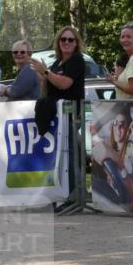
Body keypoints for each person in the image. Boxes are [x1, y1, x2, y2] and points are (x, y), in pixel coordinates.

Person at [30, 26, 86, 207]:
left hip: (70, 114)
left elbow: (64, 84)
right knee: (61, 155)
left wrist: (46, 72)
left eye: (71, 40)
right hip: (56, 114)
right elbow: (48, 88)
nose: (67, 43)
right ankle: (62, 194)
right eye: (64, 40)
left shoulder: (77, 60)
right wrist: (42, 76)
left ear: (76, 43)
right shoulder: (57, 63)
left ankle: (74, 195)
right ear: (58, 42)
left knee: (70, 155)